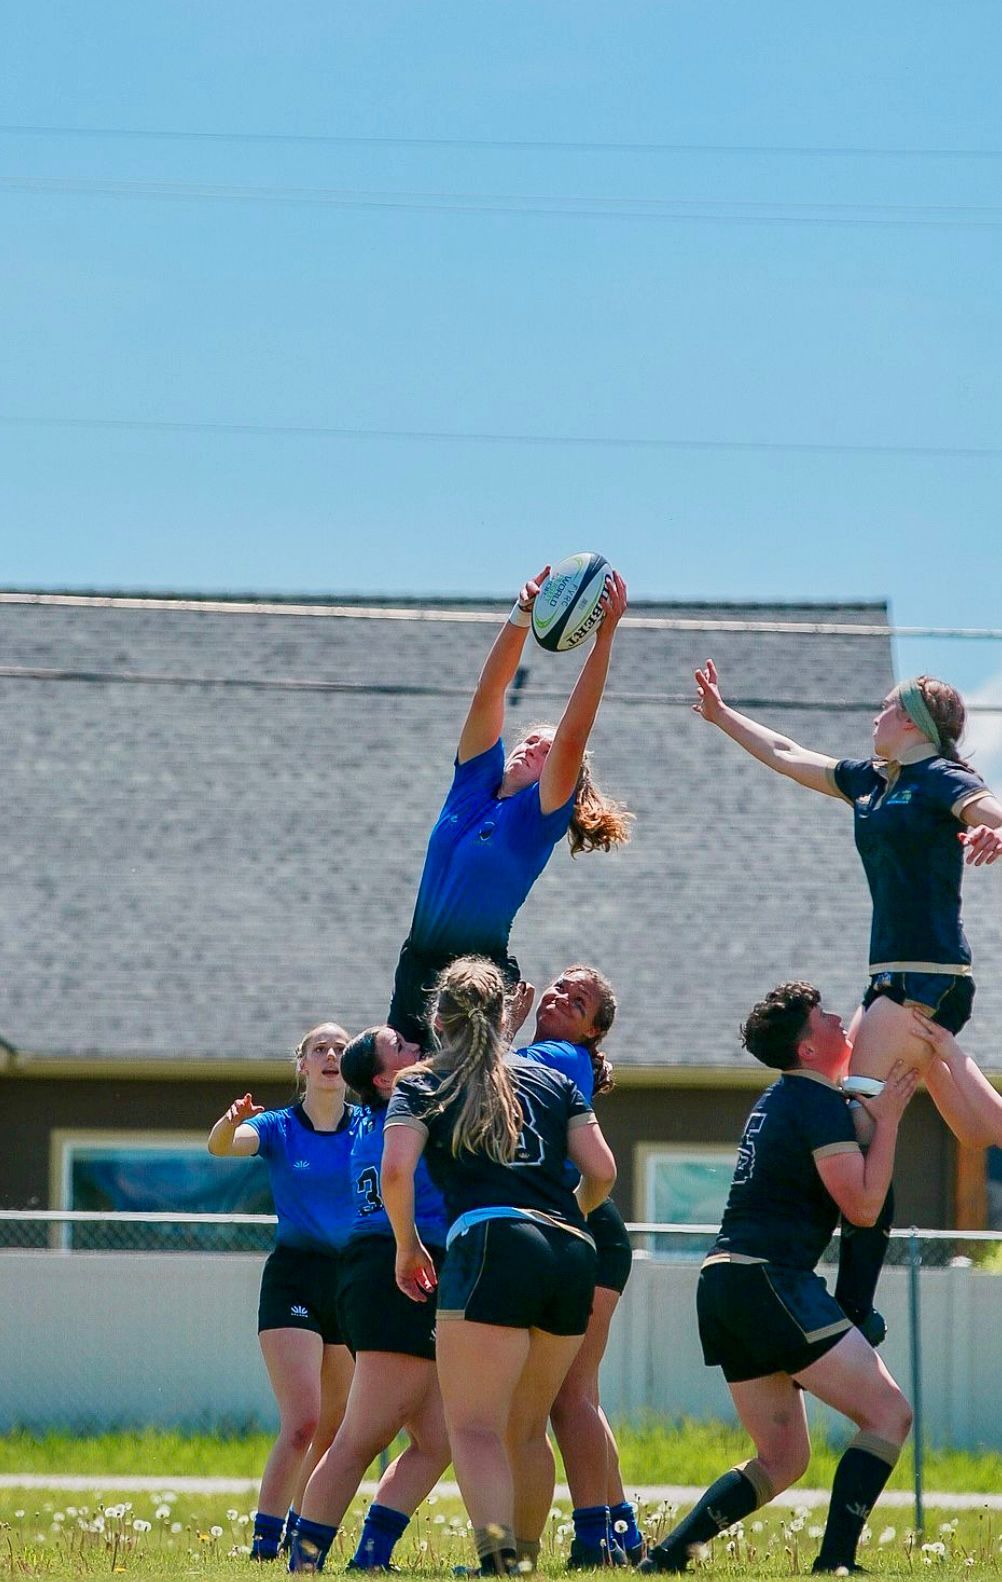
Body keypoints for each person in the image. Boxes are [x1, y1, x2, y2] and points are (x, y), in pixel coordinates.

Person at [692, 663, 1002, 1333]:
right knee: (981, 1131)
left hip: (927, 975)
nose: (875, 718)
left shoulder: (943, 780)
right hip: (890, 980)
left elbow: (990, 809)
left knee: (860, 1118)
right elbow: (786, 754)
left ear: (916, 723)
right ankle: (852, 1297)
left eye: (886, 709)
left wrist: (993, 831)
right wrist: (722, 715)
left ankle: (855, 1306)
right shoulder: (870, 781)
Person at [640, 982, 916, 1576]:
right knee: (889, 1415)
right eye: (823, 1017)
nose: (840, 1019)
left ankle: (667, 1557)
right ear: (807, 1049)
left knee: (783, 1458)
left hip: (723, 1284)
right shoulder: (814, 1105)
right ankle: (836, 1560)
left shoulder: (782, 1098)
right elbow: (864, 1208)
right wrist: (889, 1122)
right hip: (768, 1281)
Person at [381, 956, 618, 1576]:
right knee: (526, 1423)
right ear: (504, 1012)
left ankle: (496, 1562)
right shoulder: (553, 1079)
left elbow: (397, 1171)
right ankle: (525, 1562)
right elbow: (604, 1173)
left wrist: (408, 1247)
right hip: (571, 1252)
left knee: (475, 1428)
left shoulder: (424, 1080)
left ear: (440, 1016)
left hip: (491, 1243)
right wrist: (562, 1216)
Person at [388, 564, 632, 1047]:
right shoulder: (474, 782)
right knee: (392, 1089)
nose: (535, 748)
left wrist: (604, 638)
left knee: (459, 1102)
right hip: (416, 964)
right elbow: (489, 694)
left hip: (475, 975)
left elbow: (574, 732)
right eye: (532, 741)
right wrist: (521, 615)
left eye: (548, 750)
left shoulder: (534, 820)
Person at [288, 1025, 451, 1573]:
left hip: (390, 1266)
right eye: (401, 1048)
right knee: (362, 1437)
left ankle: (371, 1558)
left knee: (439, 1438)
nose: (416, 1047)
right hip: (393, 1266)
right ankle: (304, 1563)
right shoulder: (403, 1116)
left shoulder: (386, 1113)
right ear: (385, 1079)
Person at [509, 966, 643, 1569]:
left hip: (588, 1228)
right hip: (573, 1231)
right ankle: (622, 1535)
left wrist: (499, 1031)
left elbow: (487, 1085)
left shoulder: (562, 1057)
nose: (559, 997)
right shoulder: (536, 1051)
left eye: (578, 999)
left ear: (593, 1031)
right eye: (559, 988)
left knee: (569, 1397)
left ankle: (596, 1540)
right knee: (573, 1395)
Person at [207, 1022, 356, 1563]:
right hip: (295, 1276)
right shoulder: (278, 1127)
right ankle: (265, 1546)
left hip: (350, 1281)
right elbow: (222, 1147)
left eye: (341, 1048)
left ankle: (304, 1530)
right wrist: (230, 1123)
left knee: (334, 1428)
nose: (331, 1055)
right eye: (320, 1048)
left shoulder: (370, 1125)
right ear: (303, 1065)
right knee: (303, 1422)